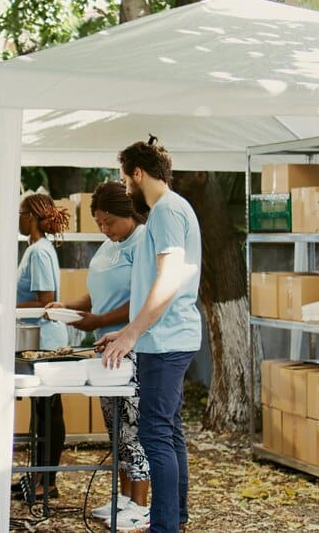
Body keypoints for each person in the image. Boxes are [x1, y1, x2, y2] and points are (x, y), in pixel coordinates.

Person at [97, 139, 202, 533]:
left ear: (138, 173)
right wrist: (127, 332)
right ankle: (174, 518)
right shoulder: (169, 211)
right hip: (166, 337)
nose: (125, 188)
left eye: (125, 180)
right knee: (168, 430)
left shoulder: (166, 212)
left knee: (155, 433)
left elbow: (170, 277)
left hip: (168, 339)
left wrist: (132, 335)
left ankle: (165, 526)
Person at [45, 181, 150, 529]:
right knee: (116, 430)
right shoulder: (108, 247)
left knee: (135, 431)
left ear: (128, 214)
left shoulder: (143, 242)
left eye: (109, 222)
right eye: (99, 223)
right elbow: (94, 295)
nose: (104, 229)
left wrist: (101, 321)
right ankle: (122, 499)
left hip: (133, 347)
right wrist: (67, 307)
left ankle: (141, 503)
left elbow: (141, 300)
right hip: (105, 349)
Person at [15, 192, 70, 502]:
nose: (18, 219)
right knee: (40, 412)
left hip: (47, 342)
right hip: (38, 342)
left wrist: (2, 302)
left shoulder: (39, 252)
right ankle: (38, 475)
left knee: (48, 412)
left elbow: (44, 300)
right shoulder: (35, 250)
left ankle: (47, 482)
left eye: (21, 213)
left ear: (32, 216)